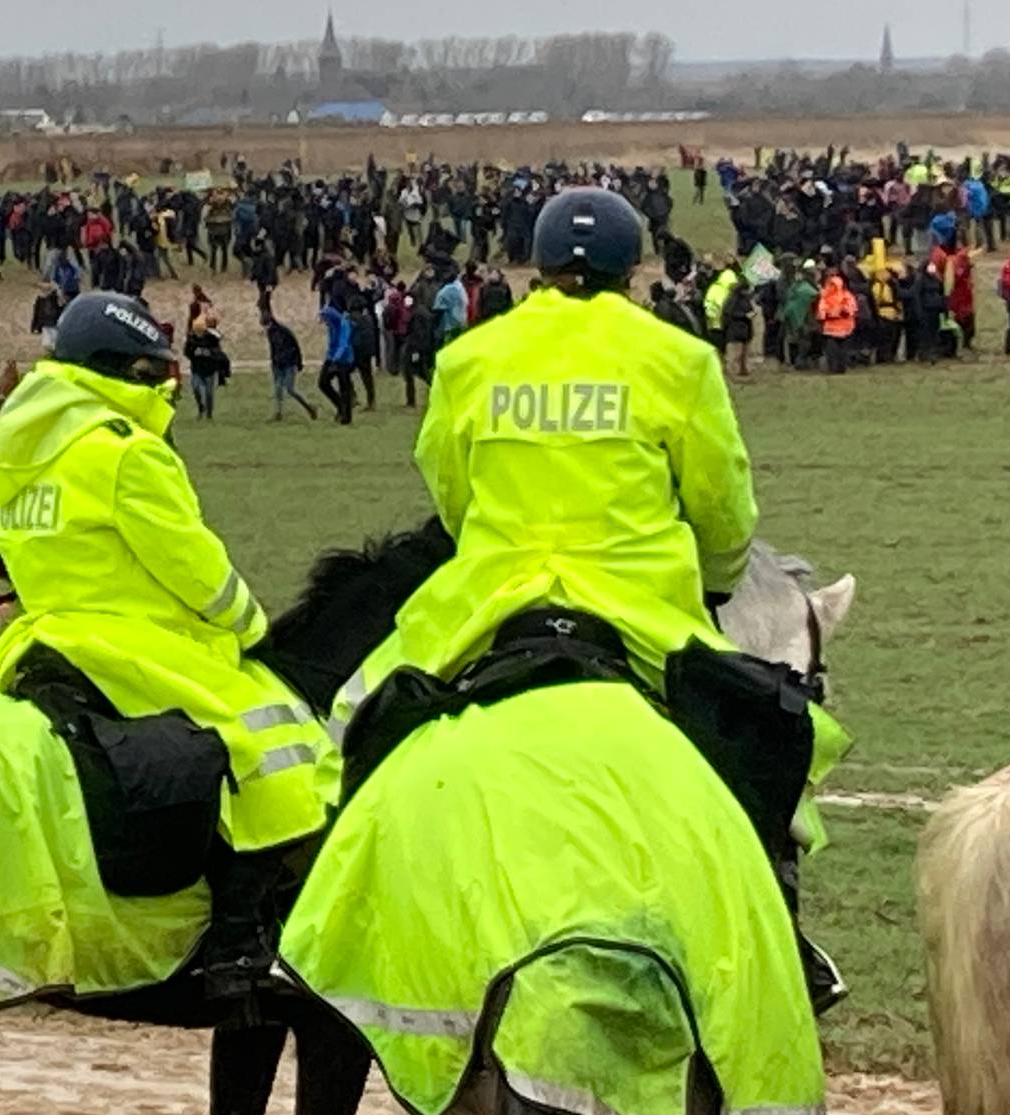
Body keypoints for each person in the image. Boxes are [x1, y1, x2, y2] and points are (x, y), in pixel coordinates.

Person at [330, 187, 842, 1010]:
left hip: (485, 605)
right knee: (765, 750)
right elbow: (722, 503)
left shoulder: (472, 358)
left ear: (536, 265)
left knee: (352, 733)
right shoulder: (677, 359)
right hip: (637, 610)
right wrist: (713, 583)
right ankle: (778, 947)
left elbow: (449, 487)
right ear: (632, 268)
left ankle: (325, 927)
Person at [0, 289, 331, 1004]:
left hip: (38, 639)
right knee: (279, 756)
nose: (164, 386)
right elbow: (197, 571)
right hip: (134, 646)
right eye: (153, 372)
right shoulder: (126, 454)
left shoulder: (21, 454)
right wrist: (252, 624)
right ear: (121, 371)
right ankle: (240, 942)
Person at [264, 308, 315, 421]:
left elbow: (295, 346)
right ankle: (278, 413)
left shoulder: (284, 332)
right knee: (277, 389)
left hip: (289, 364)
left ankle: (309, 406)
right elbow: (273, 349)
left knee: (290, 389)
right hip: (278, 365)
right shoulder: (270, 333)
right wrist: (273, 362)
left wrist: (299, 362)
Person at [184, 316, 229, 420]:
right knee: (196, 389)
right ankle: (201, 408)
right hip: (196, 370)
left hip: (210, 370)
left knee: (209, 393)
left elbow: (219, 353)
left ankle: (209, 414)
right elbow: (186, 352)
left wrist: (210, 354)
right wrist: (193, 353)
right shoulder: (191, 340)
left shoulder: (212, 339)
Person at [318, 301, 357, 424]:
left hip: (345, 359)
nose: (325, 322)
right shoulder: (331, 325)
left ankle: (346, 417)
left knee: (344, 387)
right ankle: (340, 406)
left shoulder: (344, 324)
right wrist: (330, 358)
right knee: (322, 383)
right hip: (332, 357)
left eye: (325, 319)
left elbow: (343, 344)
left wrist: (335, 360)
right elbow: (332, 343)